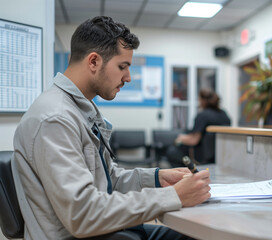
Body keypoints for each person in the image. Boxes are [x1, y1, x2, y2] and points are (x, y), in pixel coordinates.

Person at [12, 16, 210, 240]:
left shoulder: (79, 110)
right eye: (122, 67)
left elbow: (108, 181)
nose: (128, 77)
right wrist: (172, 196)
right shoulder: (55, 119)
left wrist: (157, 178)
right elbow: (83, 214)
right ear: (94, 62)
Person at [166, 89, 231, 167]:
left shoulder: (203, 115)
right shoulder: (224, 115)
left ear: (203, 100)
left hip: (201, 155)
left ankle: (183, 176)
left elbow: (194, 140)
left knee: (171, 152)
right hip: (219, 155)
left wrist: (180, 139)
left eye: (199, 99)